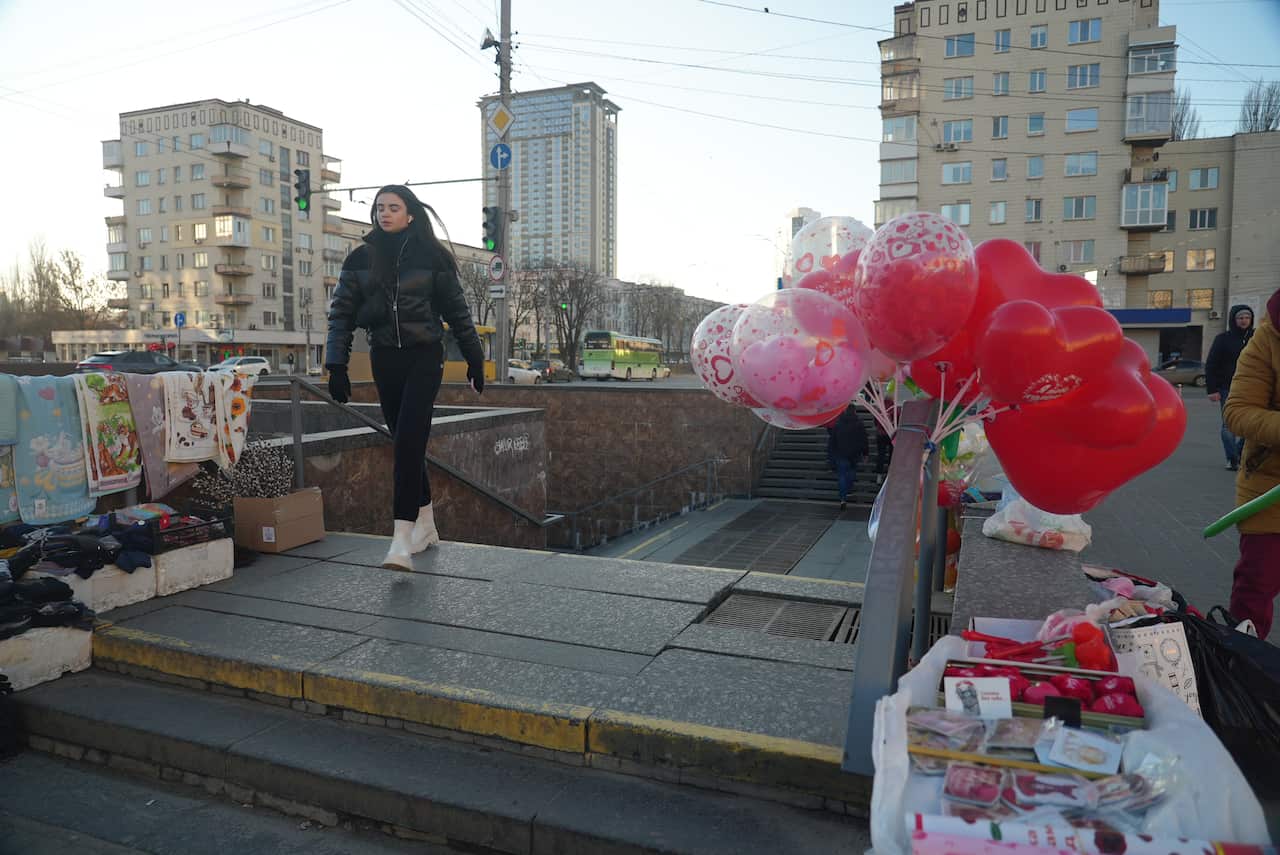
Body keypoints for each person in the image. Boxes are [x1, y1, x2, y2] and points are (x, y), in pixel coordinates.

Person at [324, 185, 485, 570]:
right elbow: (341, 315)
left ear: (410, 213)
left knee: (410, 441)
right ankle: (426, 525)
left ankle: (400, 540)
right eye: (380, 207)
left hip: (424, 357)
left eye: (393, 207)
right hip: (385, 357)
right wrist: (336, 366)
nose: (385, 213)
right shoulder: (360, 259)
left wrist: (474, 358)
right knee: (405, 443)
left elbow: (458, 313)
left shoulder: (433, 258)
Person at [1222, 288, 1280, 640]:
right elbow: (1238, 411)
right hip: (1269, 490)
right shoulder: (1267, 337)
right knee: (1254, 593)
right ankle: (1240, 673)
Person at [1206, 305, 1255, 471]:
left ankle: (1240, 453)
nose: (1244, 320)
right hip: (1228, 388)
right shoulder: (1223, 339)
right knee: (1229, 425)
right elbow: (1211, 364)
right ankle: (1232, 459)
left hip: (1253, 388)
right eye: (1240, 317)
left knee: (1251, 425)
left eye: (1247, 317)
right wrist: (1212, 389)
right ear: (1234, 320)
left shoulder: (1257, 338)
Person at [826, 404, 869, 511]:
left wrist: (831, 456)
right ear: (854, 411)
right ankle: (848, 489)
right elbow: (864, 440)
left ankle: (843, 498)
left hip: (840, 453)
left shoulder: (838, 424)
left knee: (842, 475)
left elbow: (832, 442)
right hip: (854, 454)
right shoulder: (859, 424)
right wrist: (865, 453)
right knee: (851, 473)